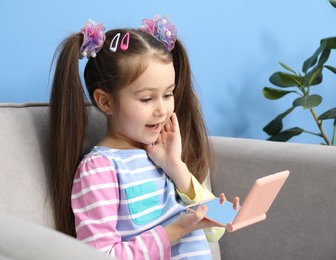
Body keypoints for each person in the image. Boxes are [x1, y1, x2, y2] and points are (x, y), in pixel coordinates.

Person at [49, 14, 239, 259]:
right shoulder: (99, 170)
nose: (162, 110)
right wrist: (176, 230)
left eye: (168, 94)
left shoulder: (164, 154)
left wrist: (176, 166)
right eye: (147, 99)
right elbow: (102, 255)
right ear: (105, 101)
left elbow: (216, 232)